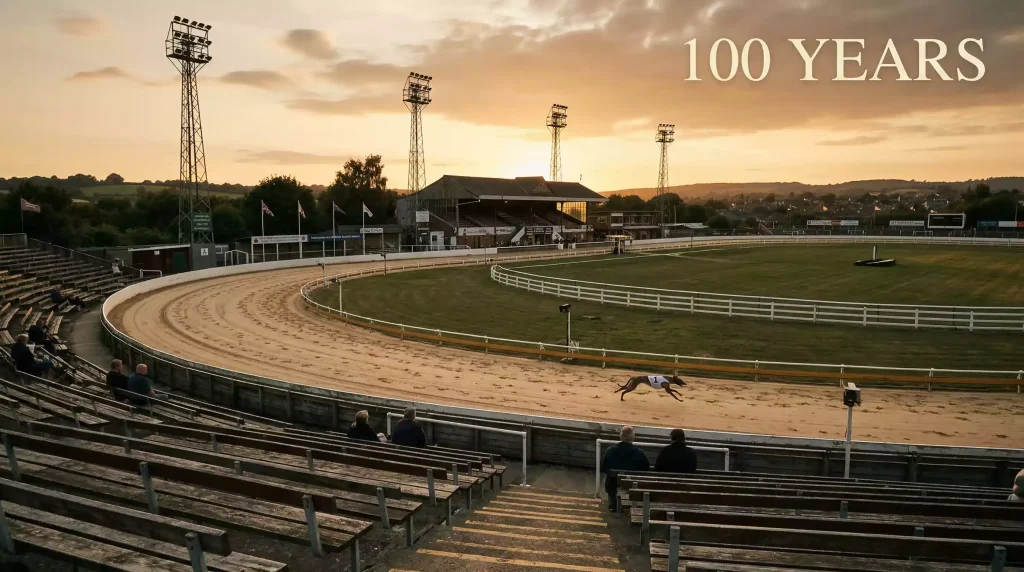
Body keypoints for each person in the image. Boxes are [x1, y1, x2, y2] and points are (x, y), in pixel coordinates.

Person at [601, 425, 650, 511]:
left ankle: (613, 505)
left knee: (610, 479)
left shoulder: (610, 451)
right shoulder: (640, 454)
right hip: (634, 487)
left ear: (620, 436)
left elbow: (604, 468)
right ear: (633, 438)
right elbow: (646, 471)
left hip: (613, 486)